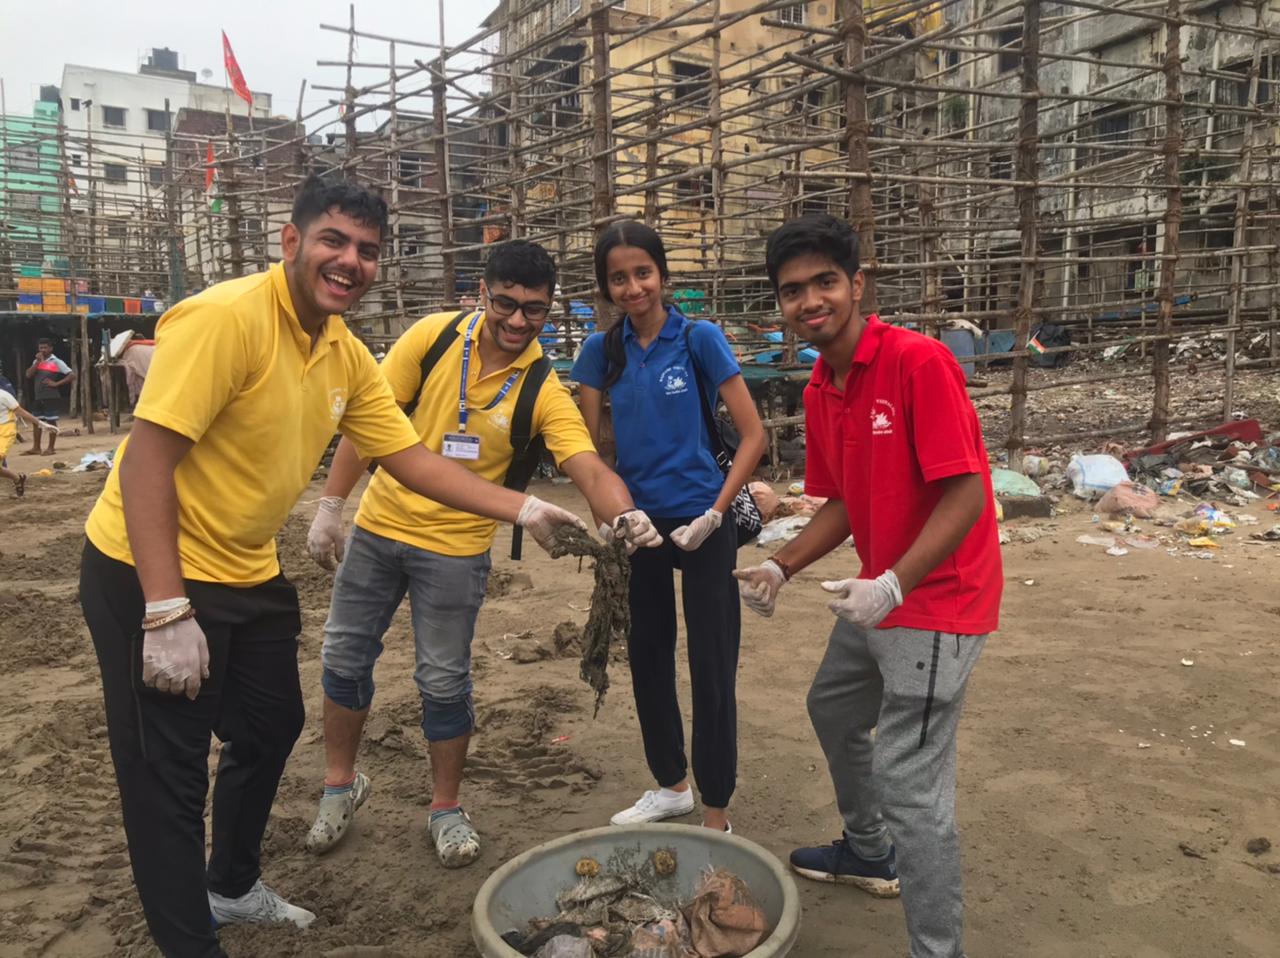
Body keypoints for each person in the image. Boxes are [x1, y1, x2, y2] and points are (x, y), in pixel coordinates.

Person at [78, 175, 587, 958]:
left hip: (246, 568)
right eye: (334, 242)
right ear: (292, 241)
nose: (350, 262)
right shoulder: (226, 320)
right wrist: (164, 609)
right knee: (167, 775)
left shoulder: (344, 350)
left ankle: (233, 883)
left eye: (367, 251)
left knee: (272, 722)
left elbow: (411, 458)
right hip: (148, 568)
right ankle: (192, 943)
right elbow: (146, 463)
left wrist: (521, 510)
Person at [303, 239, 661, 866]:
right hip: (380, 529)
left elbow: (587, 466)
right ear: (481, 294)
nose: (519, 321)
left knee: (443, 681)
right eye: (506, 304)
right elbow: (370, 424)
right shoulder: (433, 338)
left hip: (457, 552)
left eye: (535, 310)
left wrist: (624, 512)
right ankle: (339, 785)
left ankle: (445, 807)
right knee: (343, 658)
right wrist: (332, 507)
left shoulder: (545, 386)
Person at [734, 214, 1002, 958]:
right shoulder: (823, 384)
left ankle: (935, 950)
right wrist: (781, 566)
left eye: (825, 281)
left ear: (857, 285)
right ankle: (867, 848)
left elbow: (967, 495)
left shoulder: (917, 363)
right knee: (832, 706)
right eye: (793, 290)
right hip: (877, 591)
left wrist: (893, 584)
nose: (809, 300)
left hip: (938, 600)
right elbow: (847, 503)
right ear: (780, 305)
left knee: (914, 789)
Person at [572, 221, 766, 833]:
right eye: (618, 278)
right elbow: (588, 447)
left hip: (703, 520)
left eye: (643, 273)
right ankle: (671, 786)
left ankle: (715, 810)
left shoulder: (699, 339)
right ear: (606, 287)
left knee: (713, 661)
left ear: (663, 275)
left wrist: (717, 514)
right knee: (649, 654)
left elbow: (754, 435)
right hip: (639, 523)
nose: (633, 288)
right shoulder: (601, 352)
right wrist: (613, 518)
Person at [24, 337, 75, 455]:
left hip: (51, 396)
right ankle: (36, 447)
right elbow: (28, 375)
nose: (42, 350)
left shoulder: (56, 361)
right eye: (41, 347)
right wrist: (37, 362)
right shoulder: (36, 361)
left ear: (51, 348)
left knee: (51, 422)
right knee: (37, 422)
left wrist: (56, 384)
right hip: (38, 396)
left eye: (45, 347)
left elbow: (72, 375)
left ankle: (51, 448)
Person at [1, 385, 49, 496]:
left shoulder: (4, 396)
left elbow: (21, 412)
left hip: (5, 431)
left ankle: (17, 479)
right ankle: (17, 478)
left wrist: (40, 423)